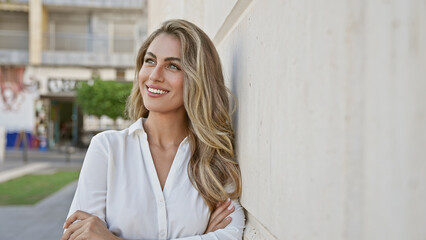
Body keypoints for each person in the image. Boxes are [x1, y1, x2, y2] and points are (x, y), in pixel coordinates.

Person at [61, 19, 245, 240]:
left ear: (198, 78)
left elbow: (230, 235)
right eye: (150, 61)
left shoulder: (214, 158)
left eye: (173, 66)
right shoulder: (107, 148)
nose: (154, 75)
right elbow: (78, 235)